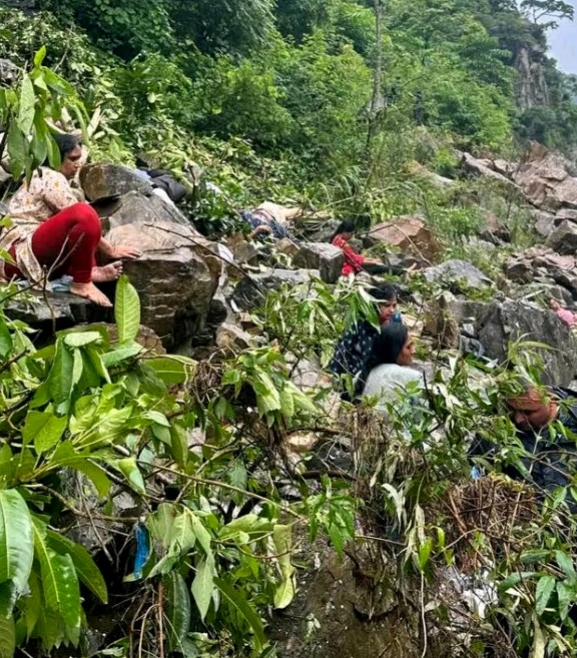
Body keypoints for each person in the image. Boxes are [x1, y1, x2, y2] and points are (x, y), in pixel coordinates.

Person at [1, 133, 141, 307]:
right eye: (72, 159)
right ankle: (82, 282)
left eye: (79, 159)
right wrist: (110, 250)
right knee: (84, 213)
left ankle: (89, 271)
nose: (77, 164)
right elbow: (79, 215)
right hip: (19, 255)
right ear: (55, 157)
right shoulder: (48, 176)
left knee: (88, 226)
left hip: (28, 257)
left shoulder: (50, 178)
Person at [471, 384, 577, 508]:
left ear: (551, 402)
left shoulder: (573, 420)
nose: (518, 419)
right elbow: (474, 468)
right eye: (511, 409)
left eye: (527, 412)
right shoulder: (497, 426)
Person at [329, 284, 400, 388]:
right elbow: (342, 350)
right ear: (374, 305)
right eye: (386, 305)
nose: (392, 310)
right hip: (357, 373)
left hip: (384, 372)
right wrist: (333, 375)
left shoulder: (395, 320)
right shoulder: (359, 321)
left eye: (394, 305)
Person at [361, 324, 424, 411]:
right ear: (394, 349)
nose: (413, 350)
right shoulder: (412, 376)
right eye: (408, 347)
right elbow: (423, 413)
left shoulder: (364, 373)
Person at [330, 220, 397, 277]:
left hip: (341, 266)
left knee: (378, 264)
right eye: (351, 233)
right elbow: (355, 261)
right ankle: (402, 271)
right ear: (345, 232)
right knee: (380, 268)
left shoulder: (335, 239)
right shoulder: (343, 244)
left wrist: (370, 259)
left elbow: (353, 257)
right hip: (346, 269)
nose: (352, 236)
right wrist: (373, 262)